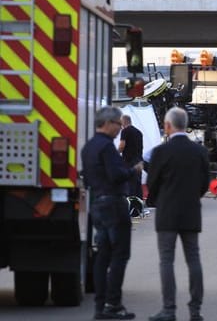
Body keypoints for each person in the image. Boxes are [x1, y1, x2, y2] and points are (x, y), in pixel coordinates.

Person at [147, 107, 209, 321]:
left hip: (167, 214)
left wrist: (159, 200)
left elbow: (151, 184)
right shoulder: (199, 151)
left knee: (167, 261)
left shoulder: (160, 152)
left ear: (167, 126)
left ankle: (169, 310)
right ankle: (195, 310)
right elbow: (204, 184)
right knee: (193, 259)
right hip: (191, 212)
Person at [81, 106, 143, 320]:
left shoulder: (88, 147)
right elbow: (116, 175)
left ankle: (101, 306)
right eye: (117, 123)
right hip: (114, 204)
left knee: (103, 255)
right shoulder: (107, 148)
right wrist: (133, 171)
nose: (119, 128)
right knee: (119, 254)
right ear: (107, 124)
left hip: (97, 202)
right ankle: (113, 304)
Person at [118, 114, 143, 200]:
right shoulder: (139, 132)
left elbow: (122, 146)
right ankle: (139, 207)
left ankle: (130, 207)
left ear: (123, 122)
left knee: (129, 185)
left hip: (129, 162)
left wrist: (115, 154)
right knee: (137, 185)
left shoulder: (125, 131)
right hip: (139, 162)